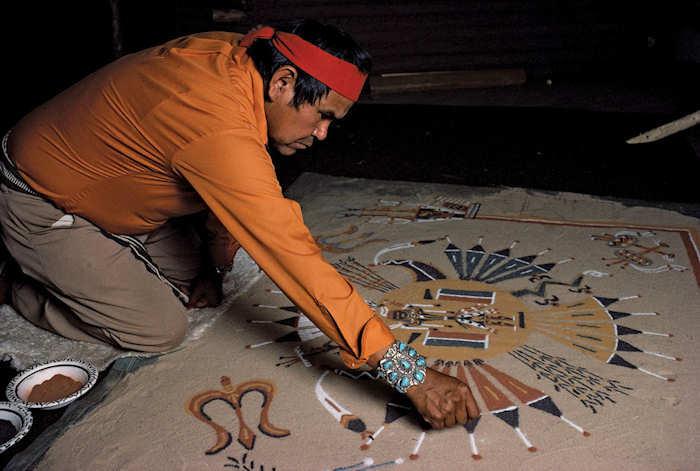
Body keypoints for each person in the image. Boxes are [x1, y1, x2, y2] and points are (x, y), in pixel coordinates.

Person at [0, 19, 479, 429]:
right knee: (158, 327)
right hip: (44, 200)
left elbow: (224, 185)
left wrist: (213, 262)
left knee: (201, 277)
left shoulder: (246, 57)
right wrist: (407, 372)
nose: (322, 134)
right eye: (322, 117)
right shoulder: (217, 121)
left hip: (123, 194)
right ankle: (18, 286)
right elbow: (292, 257)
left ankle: (107, 260)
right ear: (284, 82)